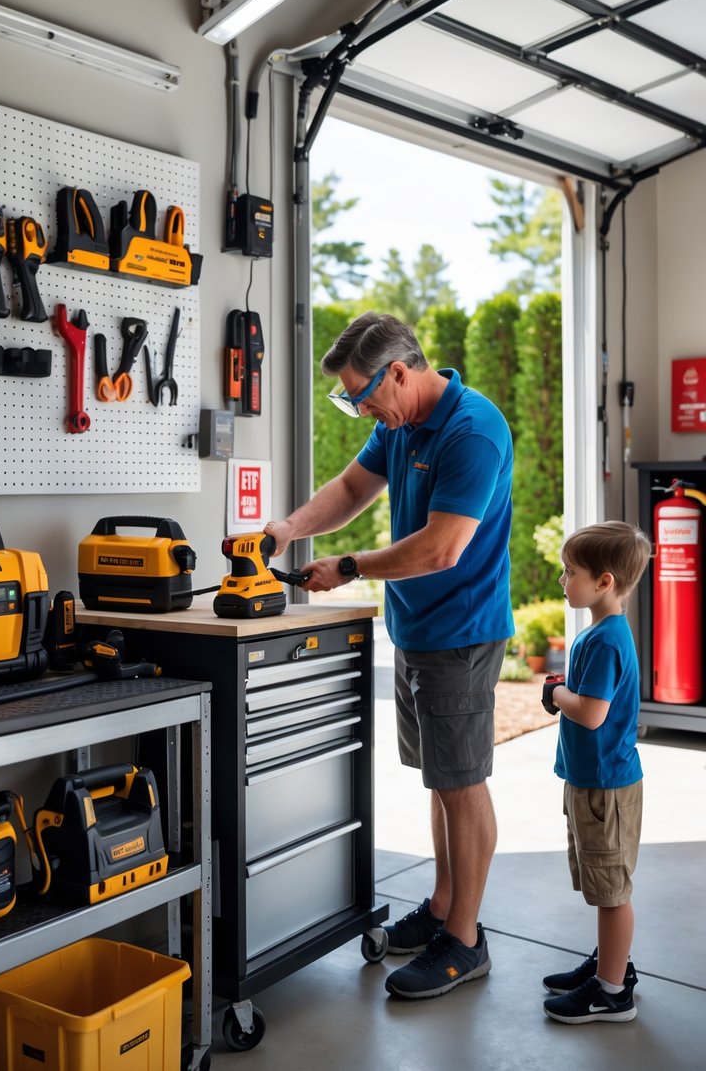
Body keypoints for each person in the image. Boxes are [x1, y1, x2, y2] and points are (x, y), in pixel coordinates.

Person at [264, 311, 514, 1001]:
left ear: (398, 372)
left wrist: (347, 565)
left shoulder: (474, 430)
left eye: (362, 395)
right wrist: (288, 529)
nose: (361, 410)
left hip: (462, 630)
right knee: (440, 777)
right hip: (416, 627)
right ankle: (441, 905)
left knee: (462, 783)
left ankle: (464, 939)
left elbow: (443, 548)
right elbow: (350, 489)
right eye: (351, 400)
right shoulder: (398, 424)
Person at [540, 520, 651, 1024]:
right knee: (601, 883)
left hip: (607, 787)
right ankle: (612, 965)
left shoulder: (606, 641)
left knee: (611, 891)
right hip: (593, 781)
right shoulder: (600, 633)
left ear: (604, 581)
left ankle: (611, 992)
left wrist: (556, 693)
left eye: (570, 573)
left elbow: (591, 712)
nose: (563, 581)